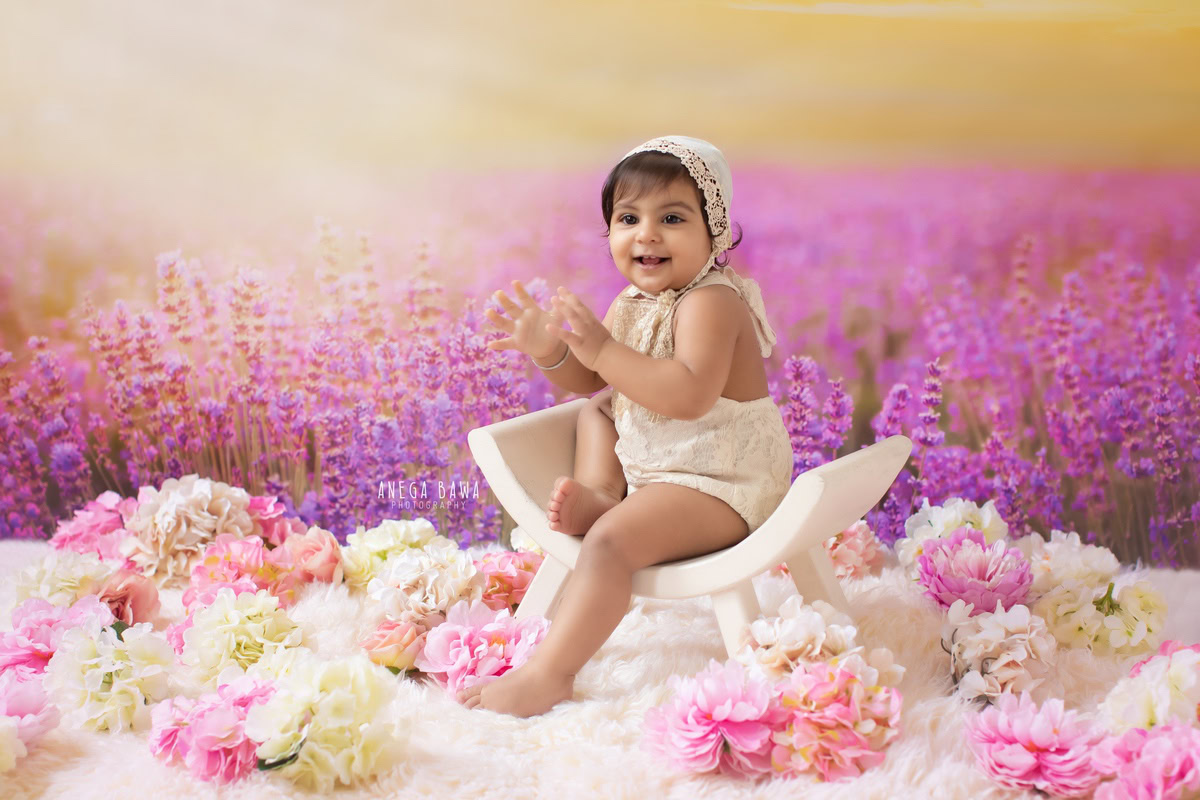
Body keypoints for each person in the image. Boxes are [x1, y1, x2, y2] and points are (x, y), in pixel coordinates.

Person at [462, 135, 794, 717]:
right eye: (628, 218)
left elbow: (689, 395)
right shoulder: (632, 302)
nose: (647, 234)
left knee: (609, 544)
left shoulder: (712, 302)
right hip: (662, 466)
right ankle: (602, 492)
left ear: (715, 232)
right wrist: (551, 351)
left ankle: (550, 674)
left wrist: (603, 348)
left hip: (720, 479)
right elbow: (593, 380)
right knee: (599, 409)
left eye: (672, 218)